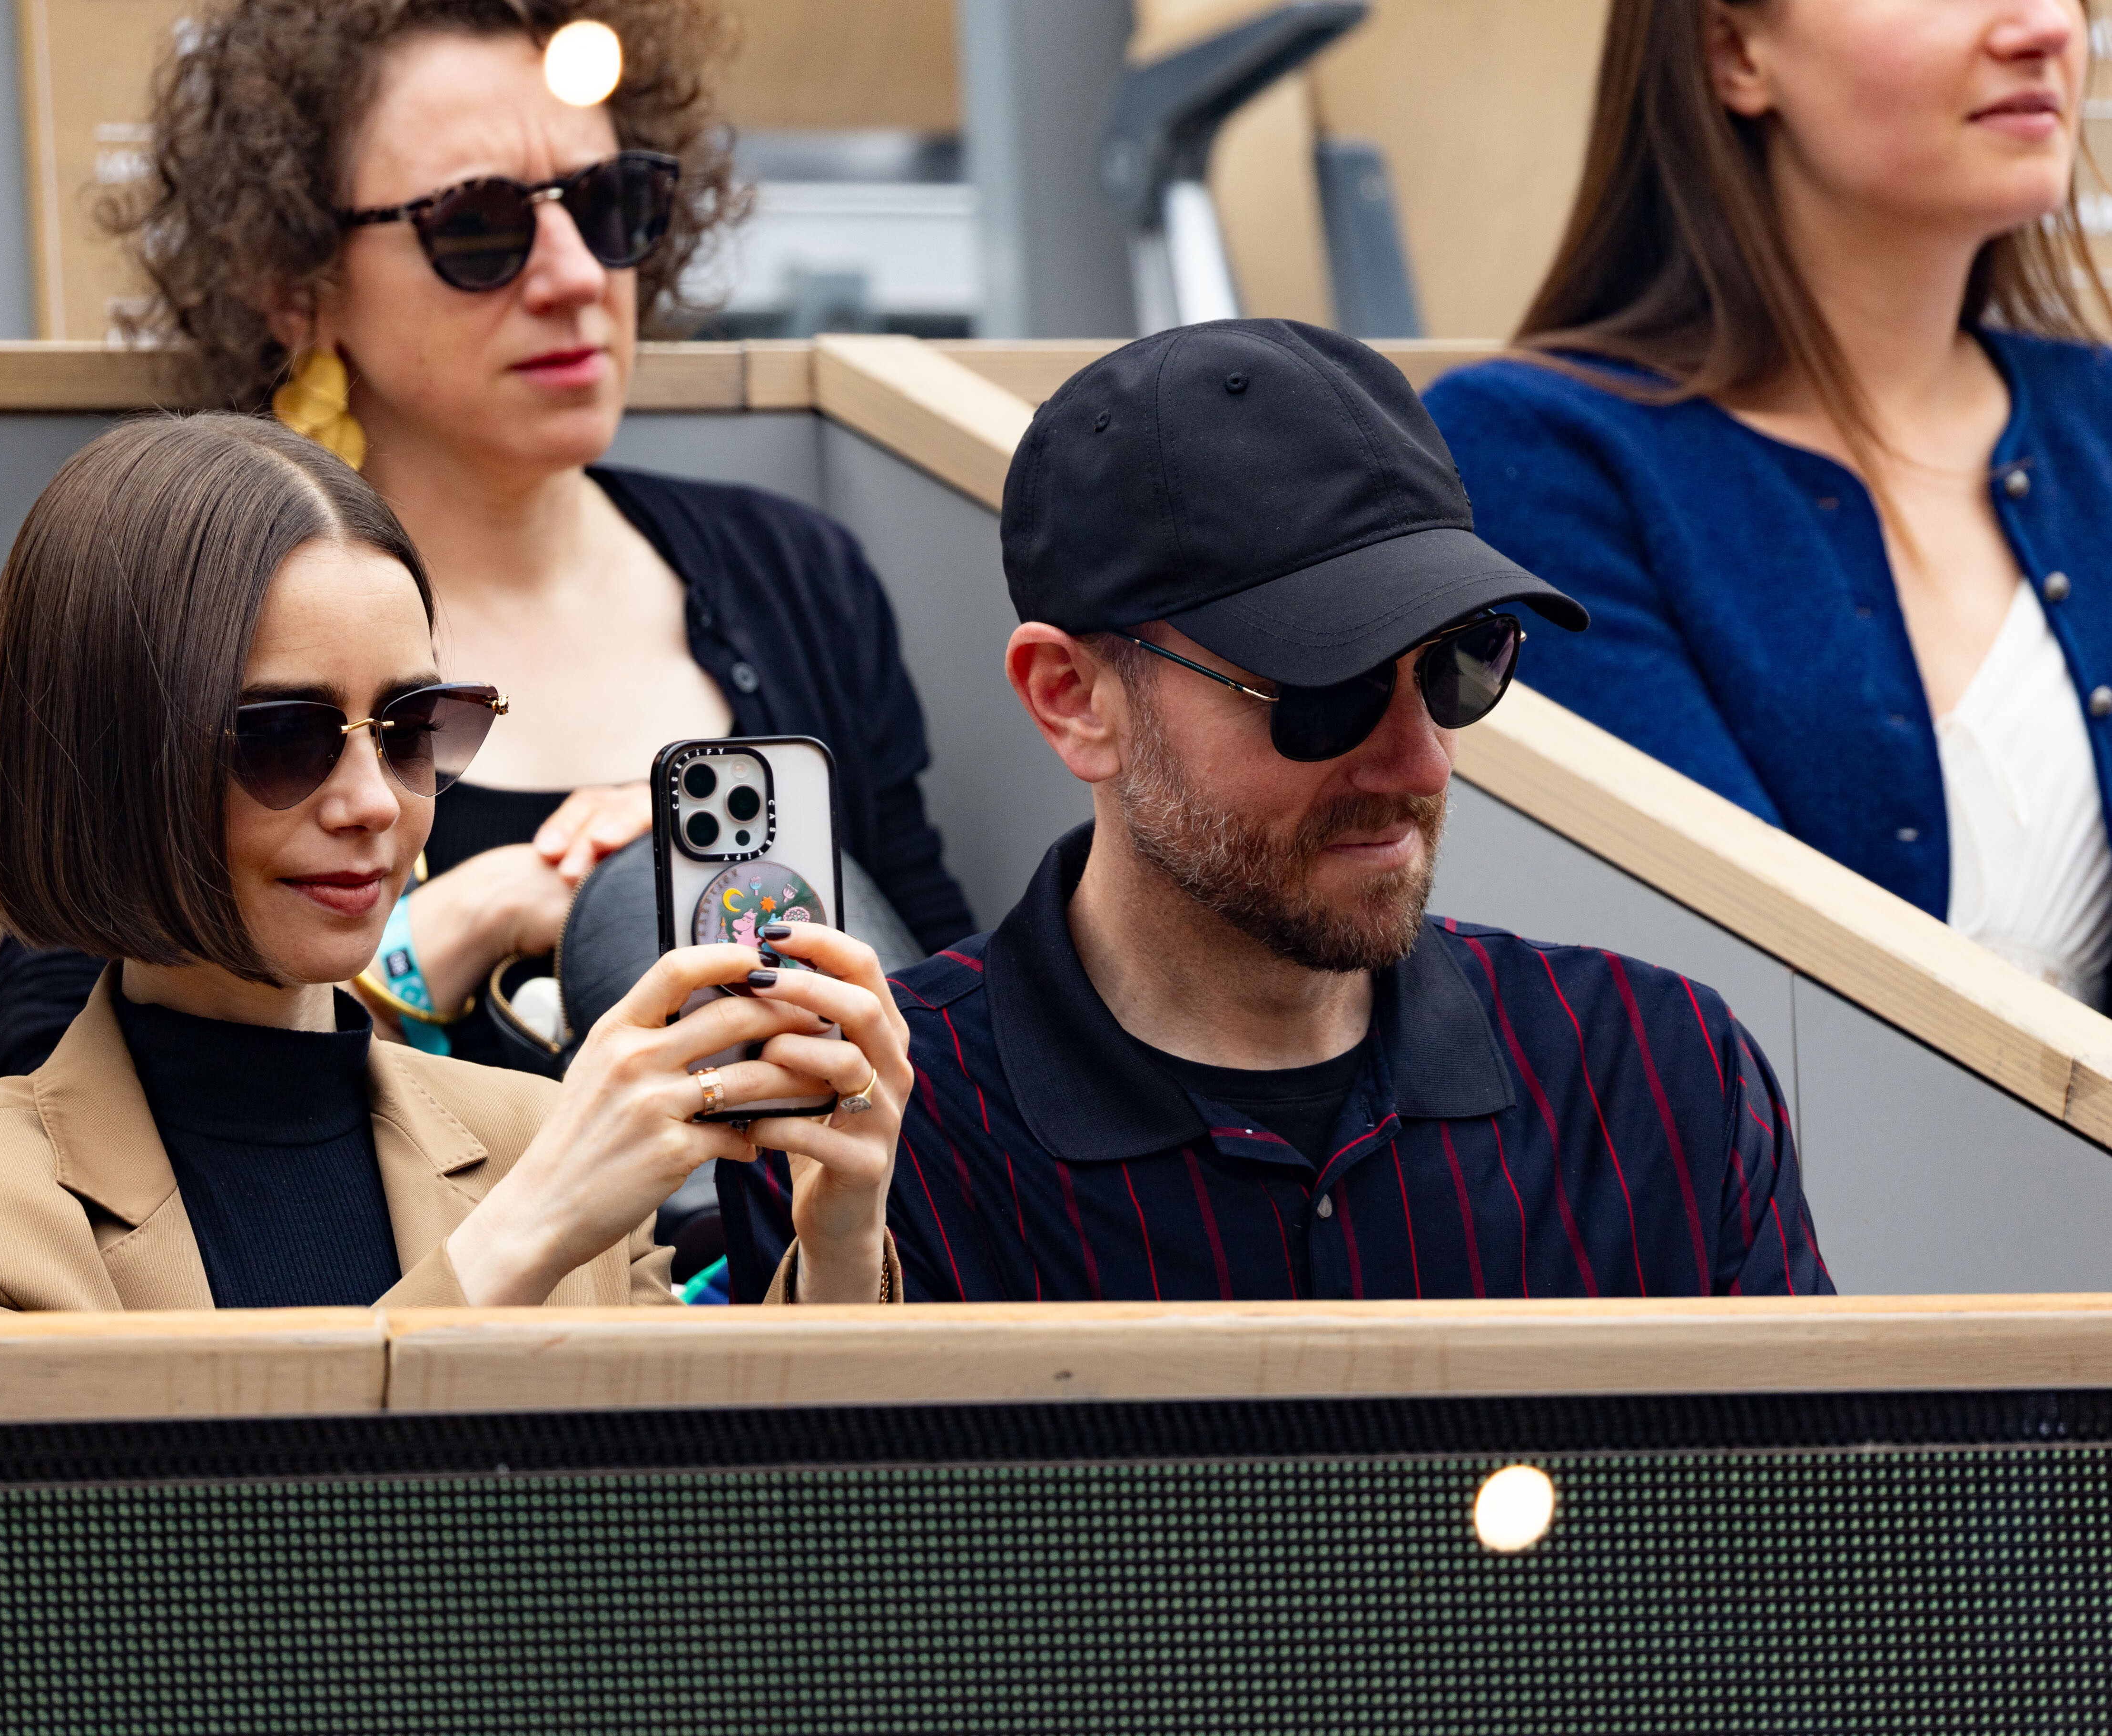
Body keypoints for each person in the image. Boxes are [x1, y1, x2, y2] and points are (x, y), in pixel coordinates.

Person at [724, 321, 1833, 1303]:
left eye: (1458, 664)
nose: (1419, 760)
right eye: (1322, 690)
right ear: (1072, 699)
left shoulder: (1655, 1077)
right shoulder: (867, 1130)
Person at [0, 0, 972, 1076]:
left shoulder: (792, 574)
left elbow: (949, 1024)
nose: (575, 275)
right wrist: (463, 925)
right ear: (295, 284)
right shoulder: (194, 597)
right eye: (477, 227)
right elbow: (60, 1086)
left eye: (610, 204)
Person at [0, 415, 908, 1312]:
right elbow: (190, 1535)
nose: (374, 801)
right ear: (106, 758)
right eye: (285, 737)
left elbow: (709, 1513)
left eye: (416, 727)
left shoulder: (539, 1136)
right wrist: (521, 1236)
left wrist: (838, 1241)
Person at [1424, 0, 2112, 1003]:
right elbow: (1731, 1000)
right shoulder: (1538, 458)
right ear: (1733, 49)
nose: (2042, 27)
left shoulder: (2096, 419)